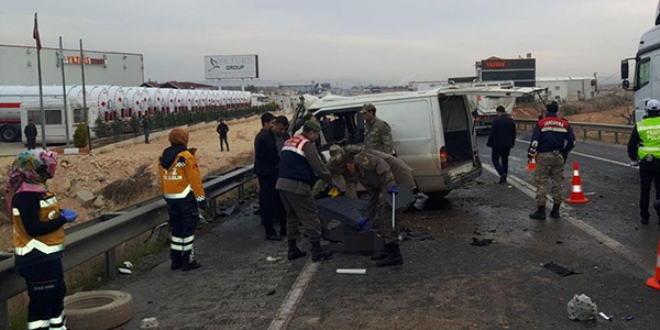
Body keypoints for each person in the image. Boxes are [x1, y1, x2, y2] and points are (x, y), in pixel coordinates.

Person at [7, 149, 77, 330]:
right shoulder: (26, 196)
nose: (50, 171)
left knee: (56, 297)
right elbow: (33, 228)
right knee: (42, 306)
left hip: (47, 259)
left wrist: (59, 214)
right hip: (36, 260)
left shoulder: (38, 191)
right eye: (46, 167)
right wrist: (61, 220)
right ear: (33, 170)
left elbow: (43, 217)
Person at [277, 120, 339, 262]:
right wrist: (331, 183)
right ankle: (316, 250)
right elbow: (319, 167)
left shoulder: (290, 141)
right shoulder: (307, 145)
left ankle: (292, 249)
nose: (317, 137)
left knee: (292, 217)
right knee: (310, 215)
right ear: (311, 132)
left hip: (281, 183)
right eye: (316, 134)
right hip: (297, 185)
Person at [343, 149, 415, 267]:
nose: (348, 172)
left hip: (401, 183)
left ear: (349, 164)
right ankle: (388, 248)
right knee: (382, 214)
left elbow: (382, 165)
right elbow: (373, 195)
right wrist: (368, 216)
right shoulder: (361, 173)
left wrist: (391, 184)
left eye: (347, 169)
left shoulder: (361, 159)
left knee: (389, 216)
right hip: (391, 185)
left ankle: (394, 254)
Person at [158, 128, 207, 271]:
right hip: (186, 198)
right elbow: (194, 180)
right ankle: (188, 260)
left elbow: (163, 177)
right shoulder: (185, 157)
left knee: (177, 230)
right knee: (188, 230)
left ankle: (176, 260)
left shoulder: (163, 157)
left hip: (171, 198)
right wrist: (201, 199)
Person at [528, 102, 576, 220]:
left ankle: (541, 211)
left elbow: (534, 143)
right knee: (557, 183)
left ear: (546, 110)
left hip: (544, 156)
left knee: (542, 183)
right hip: (558, 155)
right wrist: (564, 151)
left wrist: (530, 155)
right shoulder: (565, 124)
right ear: (557, 110)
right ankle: (555, 211)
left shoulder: (541, 123)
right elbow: (572, 141)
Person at [628, 99, 660, 225]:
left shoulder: (640, 125)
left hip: (645, 163)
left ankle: (644, 216)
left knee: (645, 189)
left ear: (646, 111)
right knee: (659, 190)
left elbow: (632, 144)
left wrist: (633, 159)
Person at [254, 113, 285, 240]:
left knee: (274, 201)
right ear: (266, 123)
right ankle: (269, 231)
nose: (274, 124)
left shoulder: (269, 135)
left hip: (270, 172)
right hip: (267, 174)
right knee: (268, 201)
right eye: (272, 122)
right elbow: (267, 156)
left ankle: (276, 226)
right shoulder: (263, 136)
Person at [487, 106, 517, 184]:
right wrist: (512, 143)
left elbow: (492, 133)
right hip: (507, 144)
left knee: (495, 159)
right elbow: (514, 133)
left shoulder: (496, 121)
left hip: (497, 144)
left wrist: (490, 143)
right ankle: (504, 177)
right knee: (505, 160)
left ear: (498, 112)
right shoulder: (511, 121)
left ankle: (501, 173)